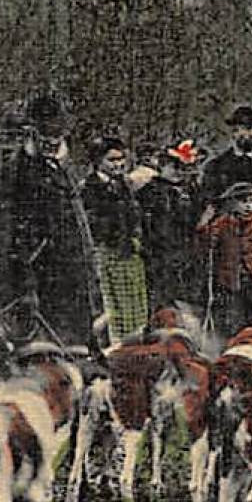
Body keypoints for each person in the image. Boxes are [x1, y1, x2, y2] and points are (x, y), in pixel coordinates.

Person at [0, 94, 103, 348]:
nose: (53, 141)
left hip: (73, 271)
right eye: (46, 134)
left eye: (57, 134)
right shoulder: (16, 171)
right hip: (40, 275)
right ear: (32, 131)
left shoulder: (63, 169)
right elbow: (8, 231)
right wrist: (24, 282)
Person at [82, 134, 149, 344]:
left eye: (121, 159)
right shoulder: (88, 188)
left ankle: (135, 342)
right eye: (112, 160)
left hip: (129, 252)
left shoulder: (125, 186)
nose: (119, 164)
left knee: (134, 302)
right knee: (111, 303)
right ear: (97, 161)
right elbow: (90, 223)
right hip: (106, 252)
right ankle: (115, 346)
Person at [198, 181, 252, 340]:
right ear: (231, 203)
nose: (248, 206)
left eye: (251, 201)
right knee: (234, 321)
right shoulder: (223, 223)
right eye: (243, 202)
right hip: (232, 281)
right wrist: (204, 224)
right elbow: (208, 243)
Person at [137, 139, 203, 311]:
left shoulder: (192, 191)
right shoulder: (150, 191)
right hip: (160, 255)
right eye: (174, 166)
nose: (179, 172)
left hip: (187, 253)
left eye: (183, 168)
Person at [200, 104, 252, 214]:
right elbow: (209, 200)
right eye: (245, 129)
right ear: (234, 132)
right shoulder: (215, 166)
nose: (249, 134)